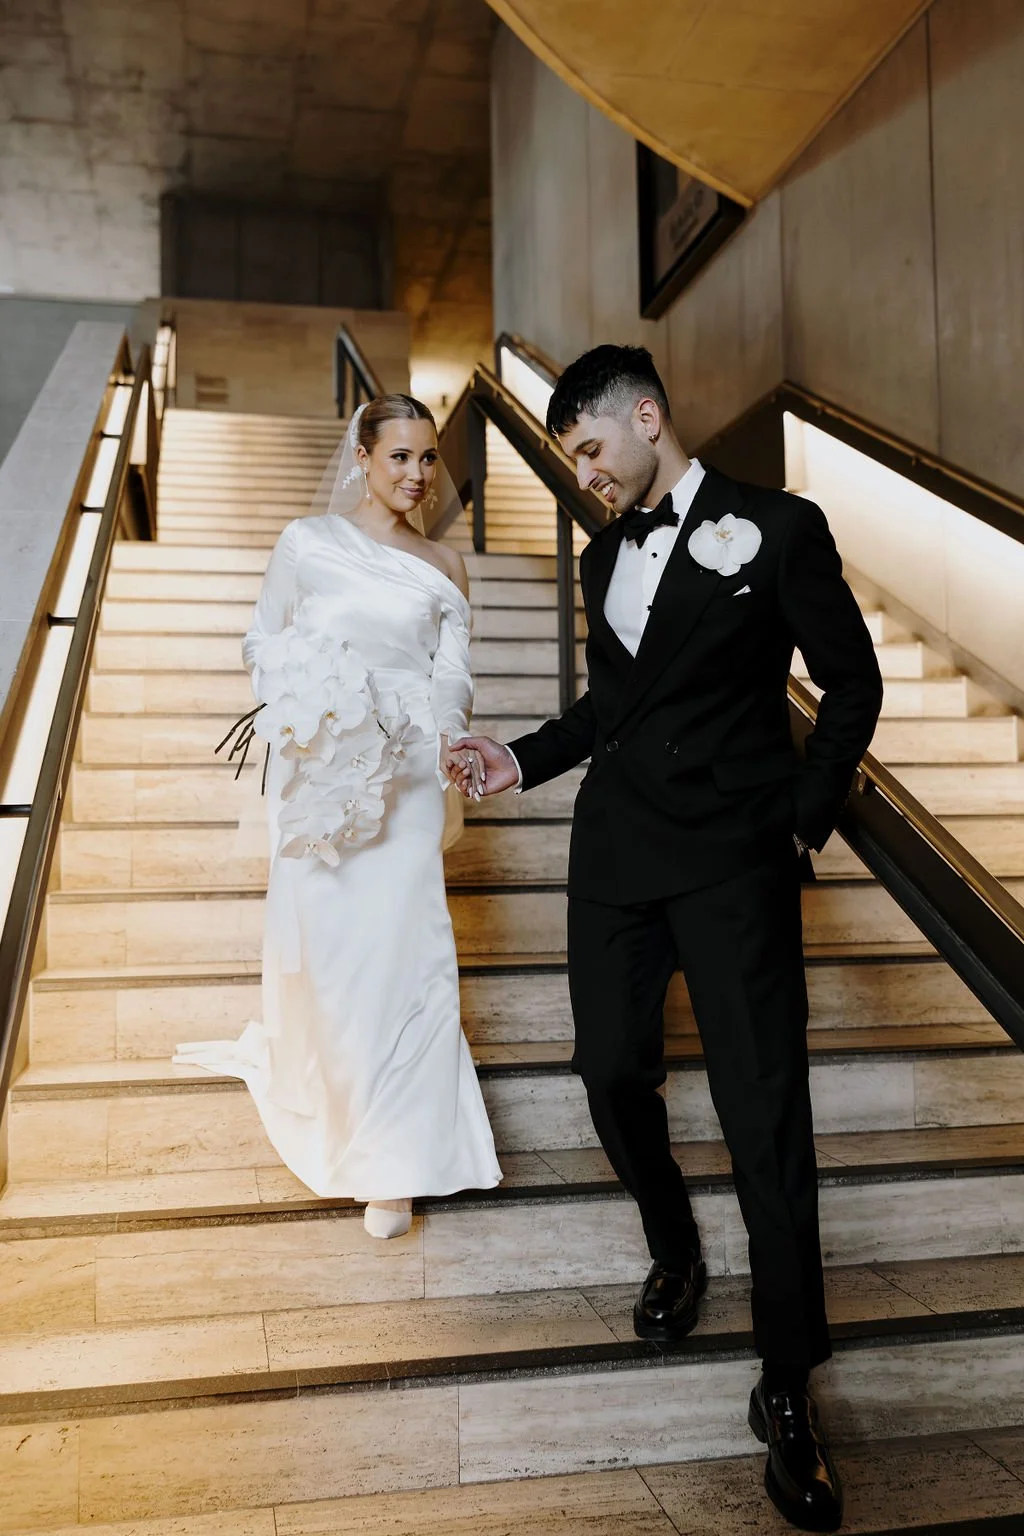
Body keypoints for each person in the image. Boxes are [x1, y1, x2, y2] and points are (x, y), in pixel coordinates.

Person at [447, 345, 883, 1533]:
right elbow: (611, 708)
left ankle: (787, 1389)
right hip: (619, 860)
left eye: (589, 447)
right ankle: (673, 1246)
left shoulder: (779, 529)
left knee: (764, 1119)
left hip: (736, 862)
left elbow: (850, 685)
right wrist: (520, 758)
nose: (582, 473)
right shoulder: (603, 556)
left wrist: (802, 821)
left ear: (646, 417)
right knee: (608, 1071)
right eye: (571, 458)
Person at [176, 394, 501, 1240]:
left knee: (405, 950)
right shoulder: (307, 544)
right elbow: (262, 642)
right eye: (399, 456)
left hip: (406, 774)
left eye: (429, 458)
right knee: (332, 951)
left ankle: (395, 1159)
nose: (417, 474)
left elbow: (450, 676)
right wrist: (304, 712)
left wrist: (447, 742)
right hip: (323, 768)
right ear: (362, 457)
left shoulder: (446, 566)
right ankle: (333, 1097)